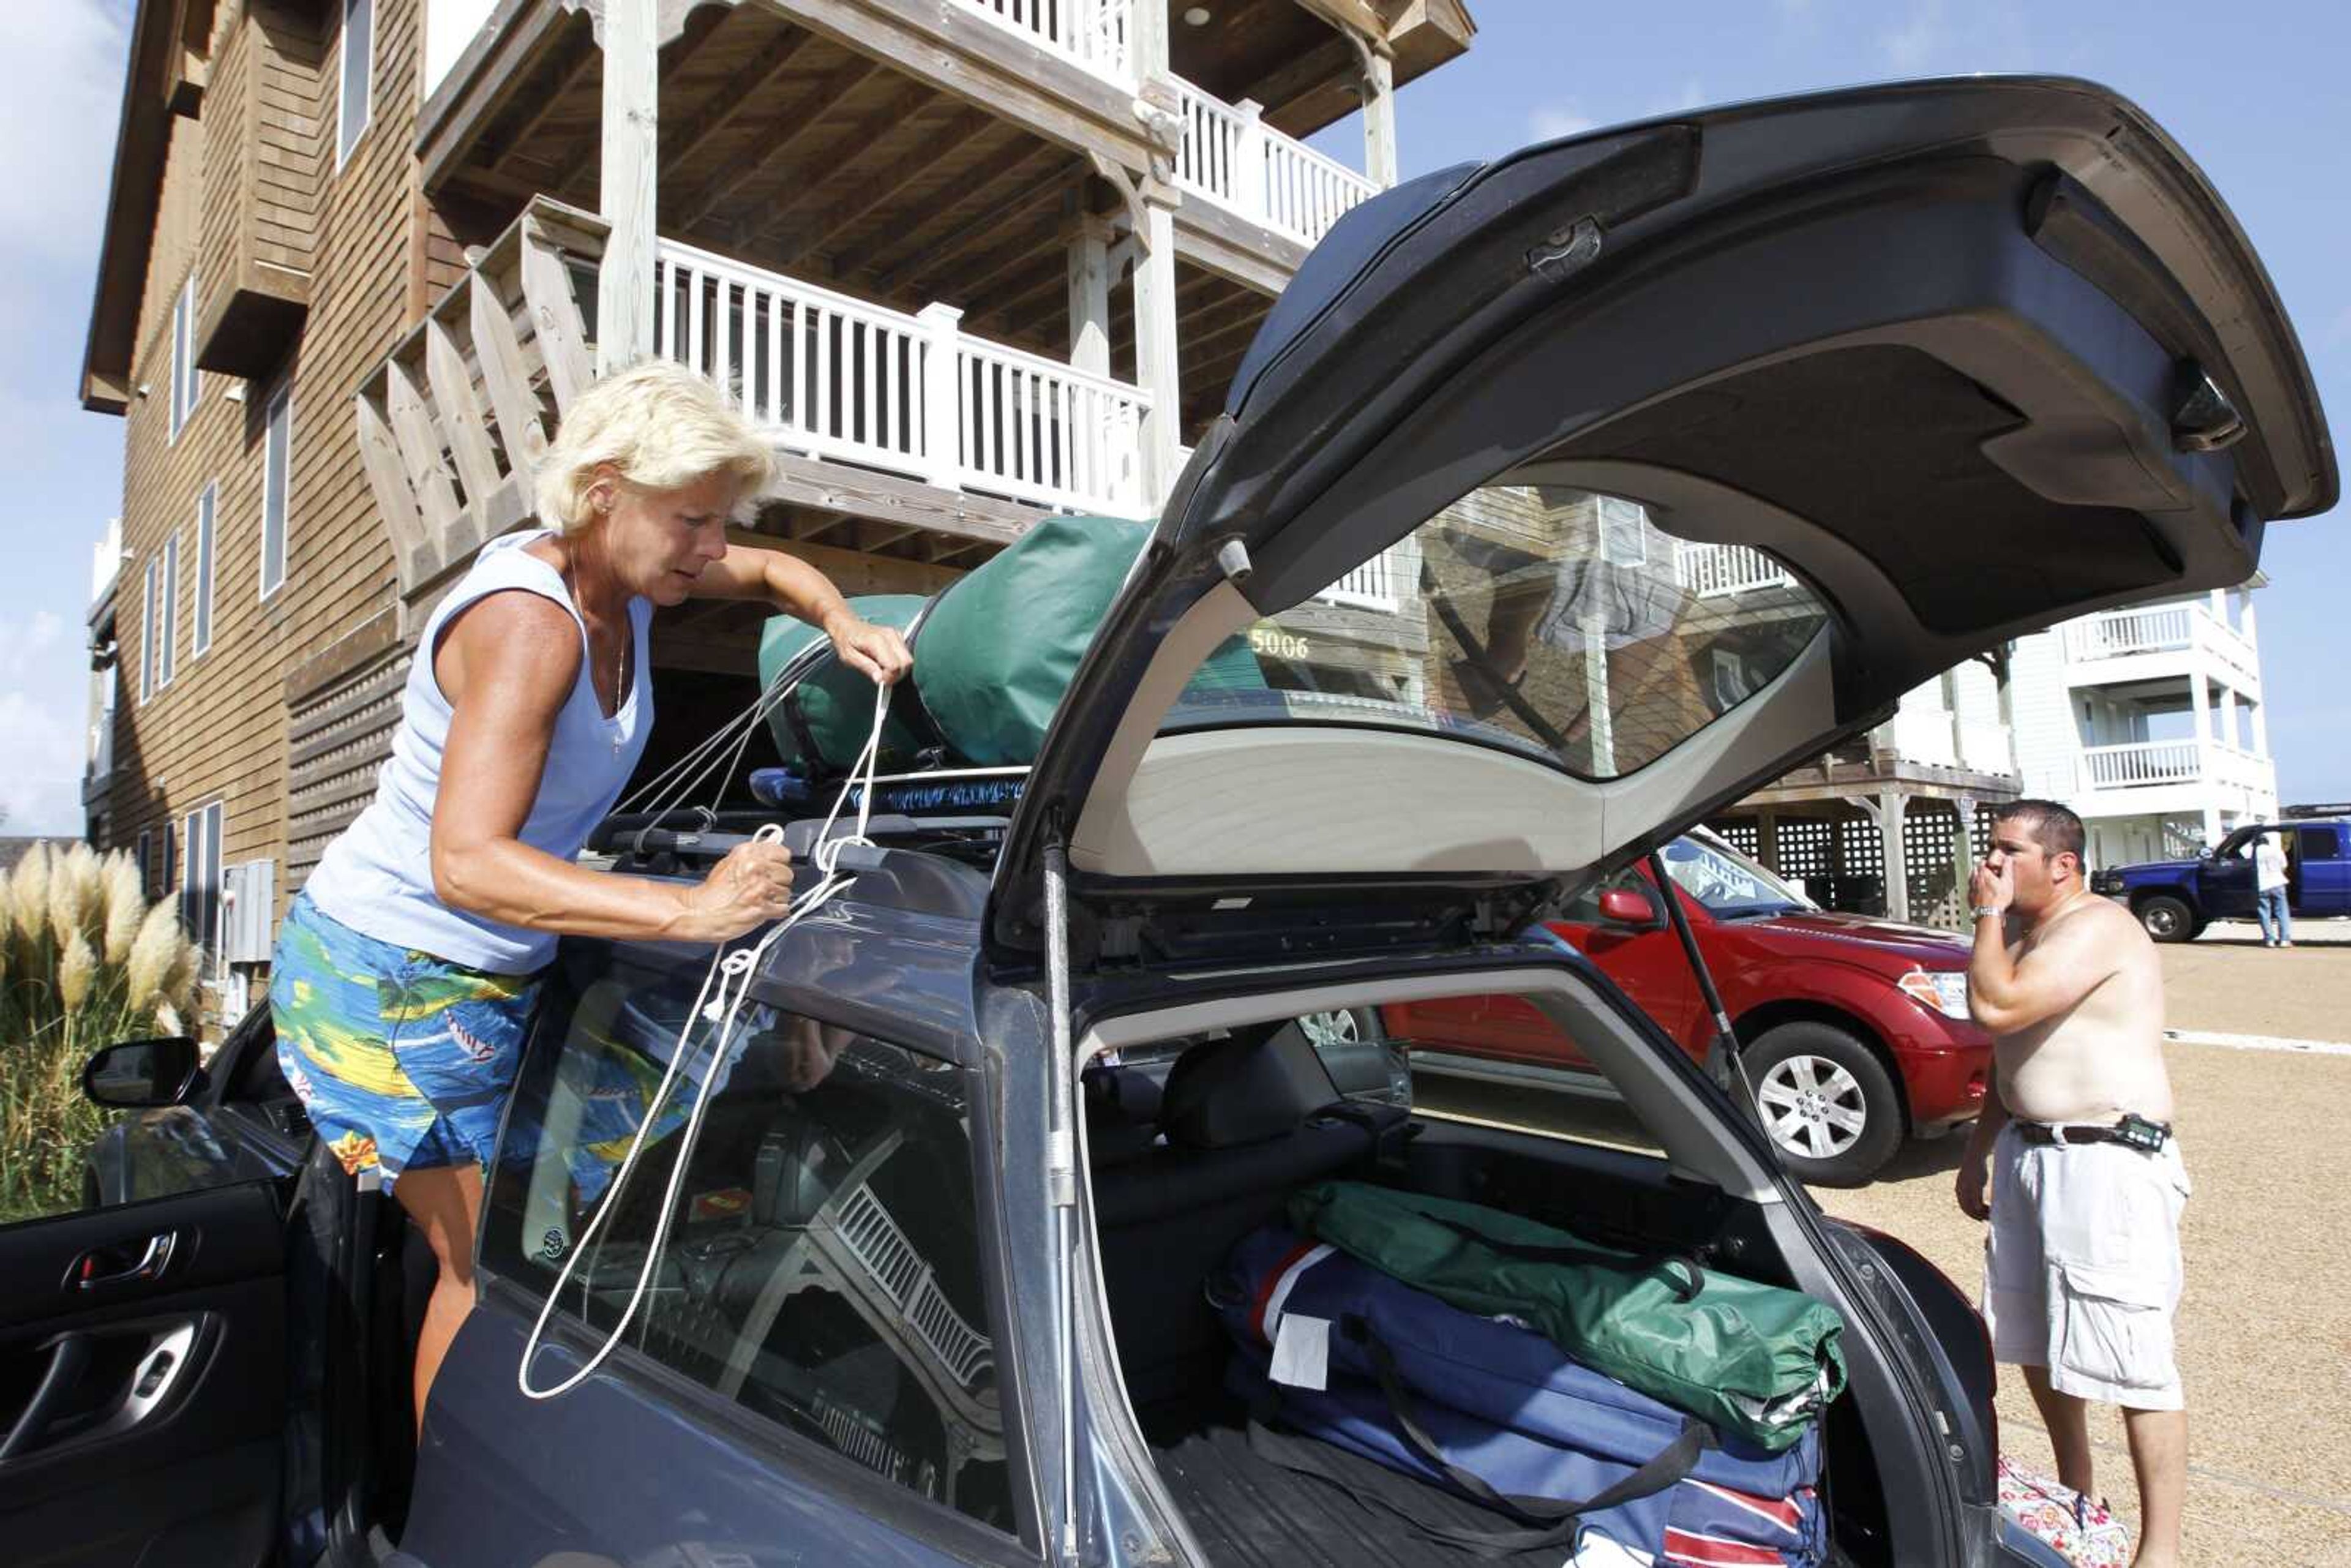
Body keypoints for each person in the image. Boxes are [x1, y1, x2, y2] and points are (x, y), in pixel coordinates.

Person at [269, 361, 913, 1430]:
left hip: (490, 970)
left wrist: (837, 619)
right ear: (606, 489)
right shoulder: (530, 625)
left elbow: (764, 571)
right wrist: (688, 911)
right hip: (385, 979)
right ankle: (451, 1514)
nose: (713, 546)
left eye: (722, 520)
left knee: (530, 1238)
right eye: (695, 520)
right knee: (485, 1276)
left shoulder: (634, 570)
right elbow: (465, 863)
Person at [1954, 800, 2190, 1568]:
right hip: (2033, 1153)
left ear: (2062, 864)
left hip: (2106, 1161)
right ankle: (2079, 1492)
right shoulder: (2030, 932)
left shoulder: (2097, 927)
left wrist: (1985, 916)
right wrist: (1980, 1149)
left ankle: (2160, 1550)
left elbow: (1995, 1005)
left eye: (2009, 851)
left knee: (2133, 1355)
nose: (1991, 864)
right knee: (2035, 1338)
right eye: (1990, 849)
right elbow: (2011, 1050)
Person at [2253, 830, 2292, 948]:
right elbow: (2284, 866)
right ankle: (2284, 940)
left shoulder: (2254, 853)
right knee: (2282, 912)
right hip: (2278, 884)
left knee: (2265, 913)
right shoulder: (2276, 850)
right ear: (2267, 842)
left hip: (2262, 886)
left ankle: (2269, 940)